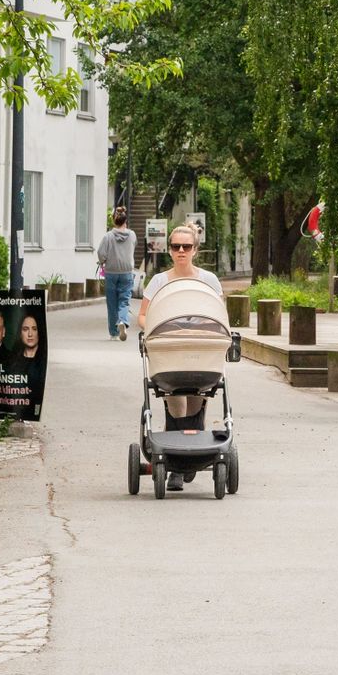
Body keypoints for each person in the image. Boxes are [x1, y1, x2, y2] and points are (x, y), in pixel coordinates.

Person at [136, 223, 223, 490]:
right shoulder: (160, 281)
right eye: (176, 247)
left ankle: (190, 454)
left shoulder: (208, 280)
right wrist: (151, 327)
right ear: (169, 250)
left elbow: (220, 313)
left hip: (200, 348)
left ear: (195, 249)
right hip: (170, 348)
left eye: (186, 246)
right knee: (176, 398)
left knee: (196, 398)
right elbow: (142, 315)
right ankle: (175, 464)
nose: (181, 251)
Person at [96, 205, 138, 341]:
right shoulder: (132, 235)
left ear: (114, 221)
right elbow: (134, 246)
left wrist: (103, 261)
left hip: (111, 272)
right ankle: (122, 321)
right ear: (125, 221)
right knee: (124, 301)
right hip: (127, 272)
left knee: (112, 303)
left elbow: (101, 253)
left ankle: (113, 333)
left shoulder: (108, 236)